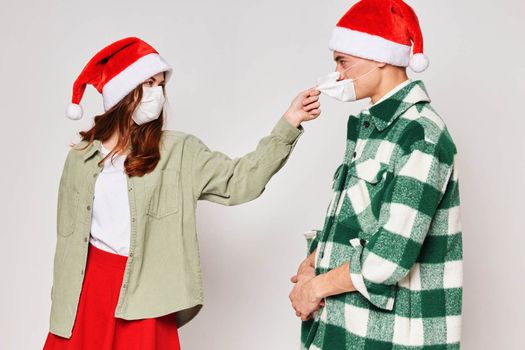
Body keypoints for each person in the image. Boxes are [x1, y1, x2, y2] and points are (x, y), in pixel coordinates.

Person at [43, 36, 321, 350]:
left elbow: (240, 181)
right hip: (85, 294)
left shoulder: (179, 151)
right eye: (148, 83)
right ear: (122, 92)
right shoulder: (80, 158)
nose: (157, 94)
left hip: (146, 296)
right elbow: (67, 241)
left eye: (161, 85)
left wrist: (289, 123)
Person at [288, 1, 463, 349]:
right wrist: (314, 261)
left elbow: (389, 256)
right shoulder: (373, 128)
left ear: (380, 56)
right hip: (346, 327)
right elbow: (358, 220)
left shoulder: (421, 135)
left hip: (391, 336)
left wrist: (315, 287)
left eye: (342, 61)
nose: (336, 74)